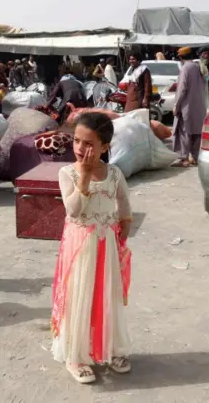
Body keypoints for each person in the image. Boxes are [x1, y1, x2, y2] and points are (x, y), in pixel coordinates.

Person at [51, 112, 133, 384]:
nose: (80, 148)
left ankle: (112, 349)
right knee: (80, 297)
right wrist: (84, 177)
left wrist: (123, 232)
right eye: (76, 141)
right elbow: (73, 209)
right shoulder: (67, 173)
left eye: (88, 143)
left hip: (107, 244)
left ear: (105, 147)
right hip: (80, 246)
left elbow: (123, 203)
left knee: (106, 295)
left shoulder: (114, 173)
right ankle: (77, 356)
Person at [172, 47, 207, 168]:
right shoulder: (198, 66)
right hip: (200, 105)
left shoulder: (185, 68)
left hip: (187, 105)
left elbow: (182, 89)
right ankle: (196, 158)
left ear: (180, 57)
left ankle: (184, 158)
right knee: (197, 132)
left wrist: (176, 105)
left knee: (184, 131)